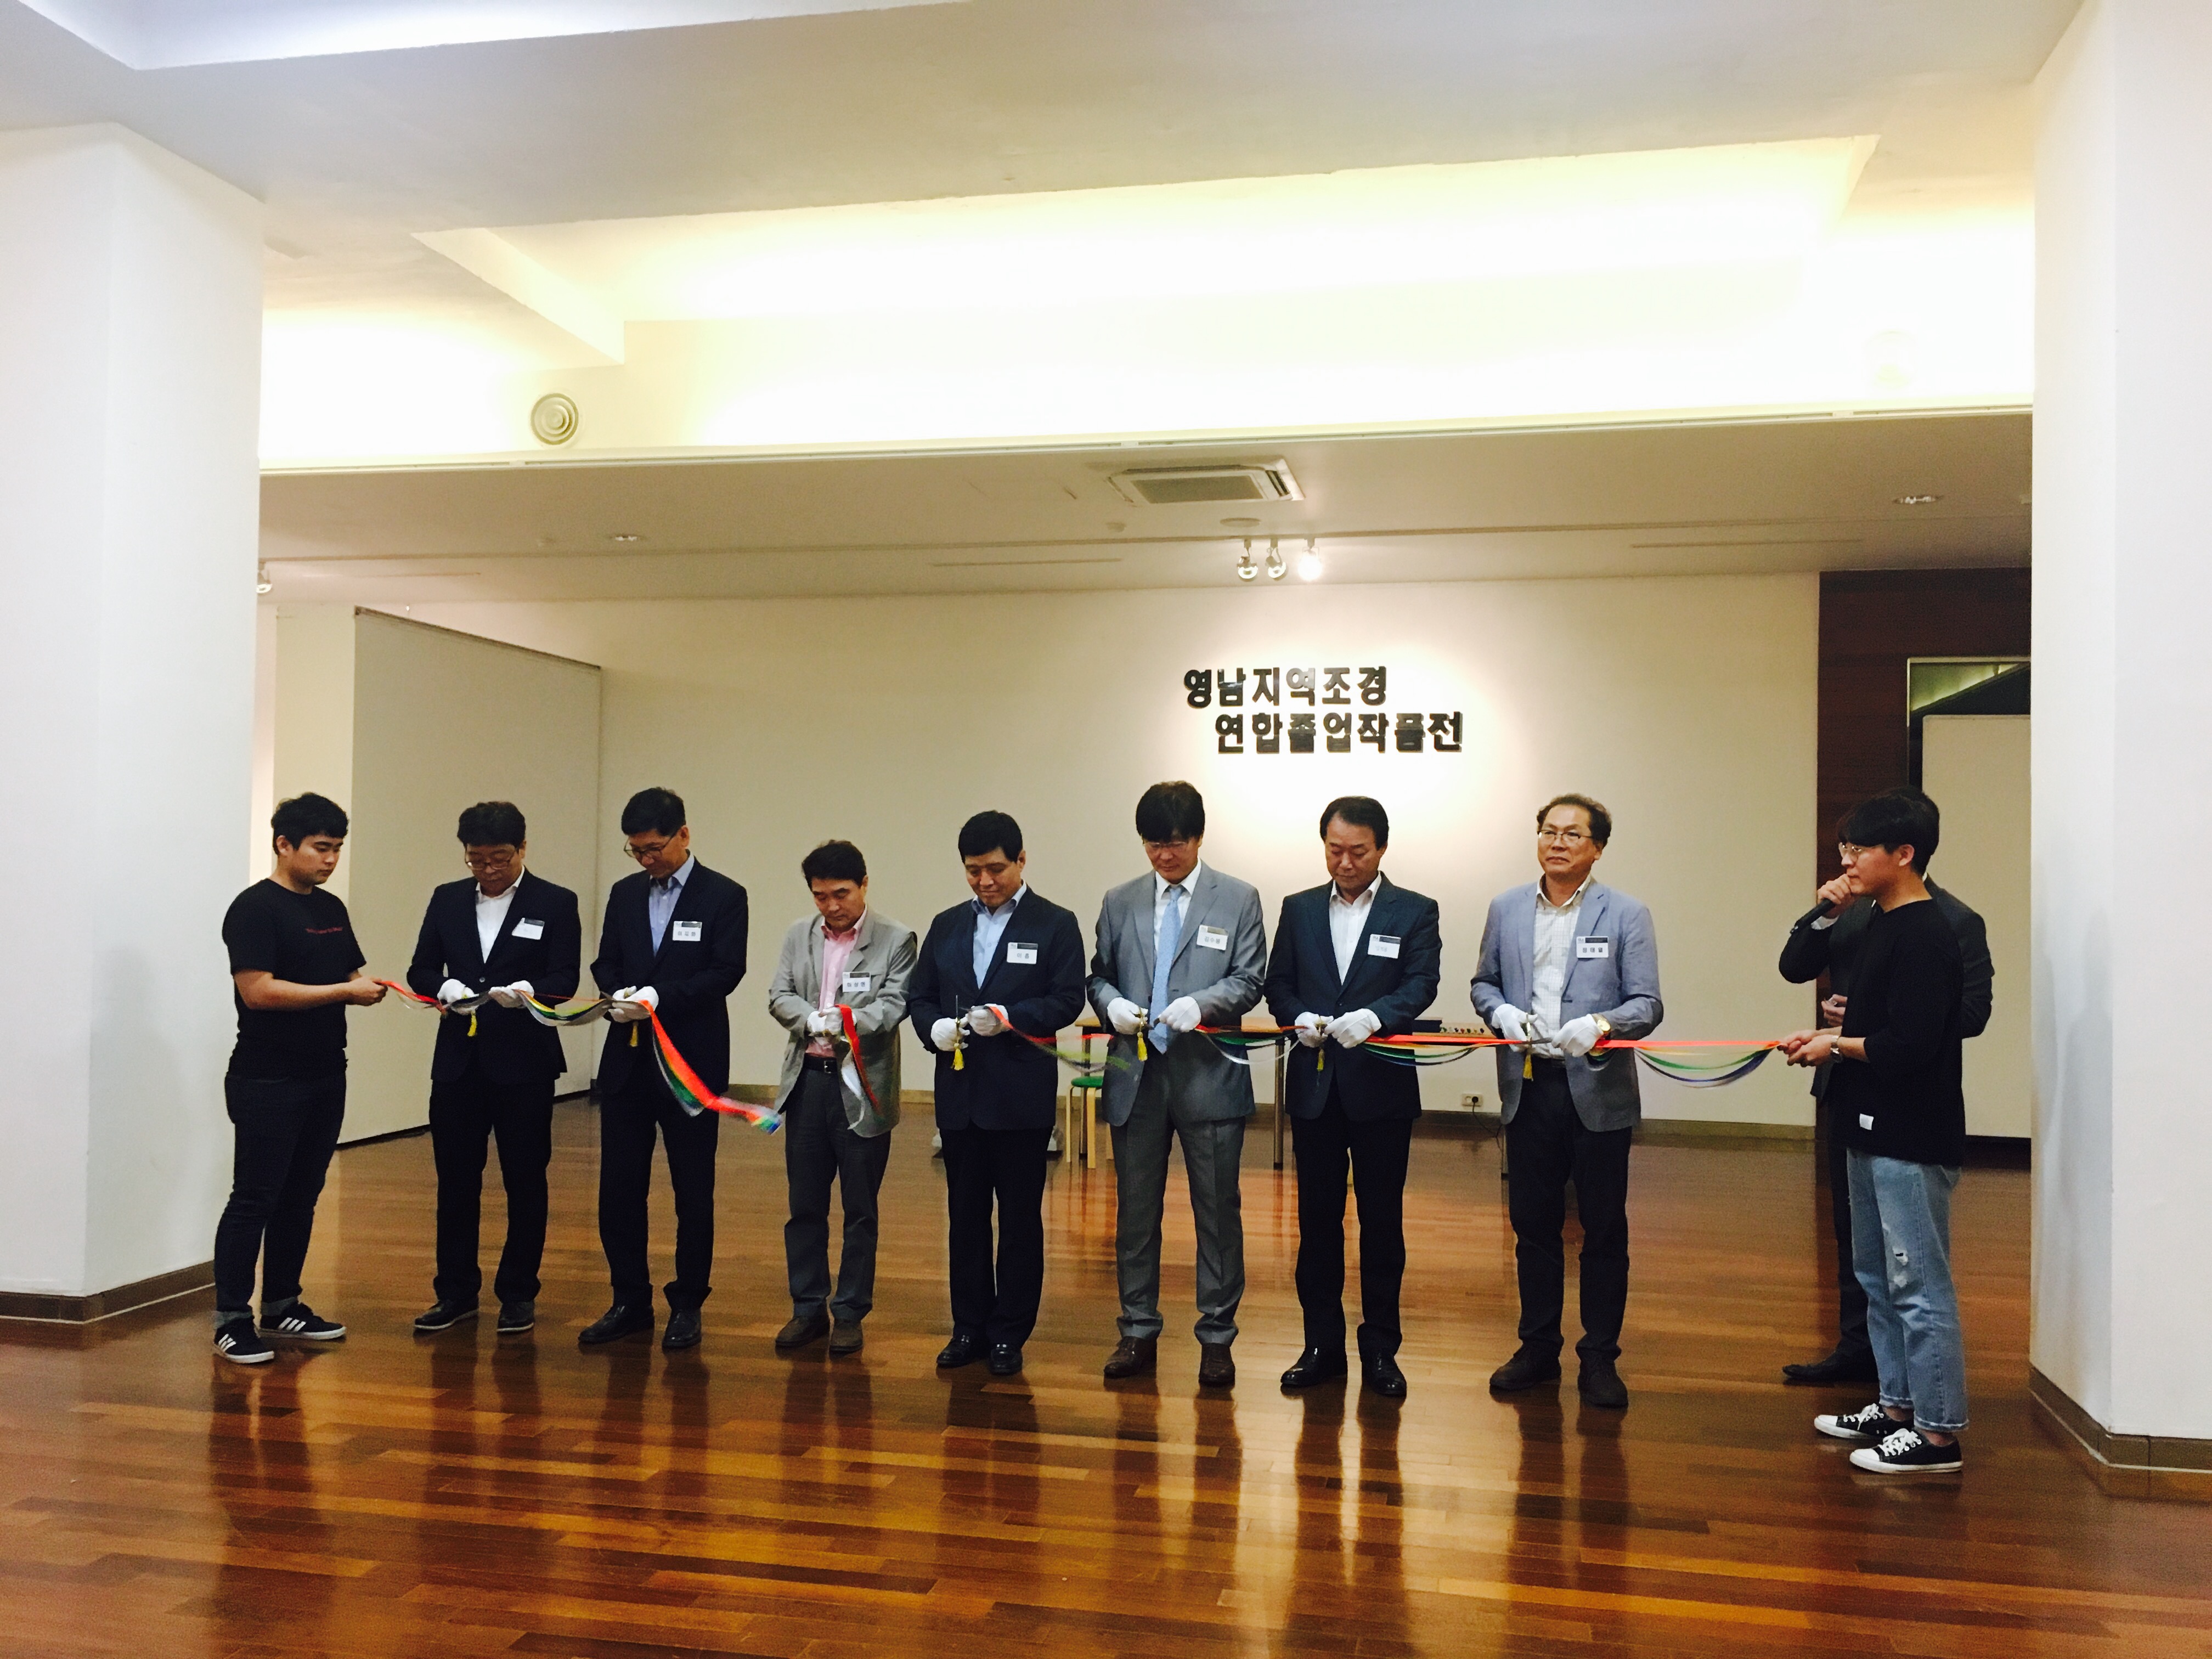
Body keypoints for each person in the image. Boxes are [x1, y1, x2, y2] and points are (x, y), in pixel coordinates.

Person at [1776, 785, 1991, 1386]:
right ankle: (1869, 1363)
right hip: (1852, 1088)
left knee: (1912, 1266)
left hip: (1904, 1098)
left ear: (1904, 851)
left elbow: (1965, 1015)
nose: (1847, 861)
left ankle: (1927, 1410)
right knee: (1862, 1246)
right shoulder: (1858, 911)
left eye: (1859, 848)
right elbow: (1795, 967)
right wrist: (1826, 914)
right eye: (1844, 849)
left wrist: (1871, 1023)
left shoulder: (1949, 922)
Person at [1471, 793, 1661, 1409]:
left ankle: (1600, 1357)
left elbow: (1648, 1004)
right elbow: (1483, 982)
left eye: (1573, 834)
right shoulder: (1506, 908)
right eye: (1549, 831)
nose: (1557, 842)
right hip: (1529, 1086)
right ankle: (1537, 1348)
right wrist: (1499, 1011)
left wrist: (1603, 1024)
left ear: (1597, 848)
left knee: (1603, 1228)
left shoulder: (1626, 913)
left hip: (1597, 1089)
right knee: (1533, 1226)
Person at [1087, 782, 1267, 1389]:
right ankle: (1137, 1327)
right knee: (1136, 1213)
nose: (1164, 856)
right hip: (1136, 1075)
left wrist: (1202, 1004)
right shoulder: (1120, 900)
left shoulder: (1237, 898)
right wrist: (1111, 1004)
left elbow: (1250, 979)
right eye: (1152, 845)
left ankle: (1217, 1336)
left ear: (1199, 837)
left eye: (1175, 844)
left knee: (1217, 1213)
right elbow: (1099, 977)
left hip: (1208, 1074)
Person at [1263, 796, 1441, 1399]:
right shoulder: (1299, 908)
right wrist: (1298, 1017)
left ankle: (1381, 1348)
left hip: (1381, 1088)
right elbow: (1279, 984)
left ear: (1382, 848)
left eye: (1358, 852)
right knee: (1317, 1224)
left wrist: (1374, 1016)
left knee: (1381, 1223)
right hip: (1315, 1087)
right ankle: (1321, 1345)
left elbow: (1421, 984)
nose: (1345, 863)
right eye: (1335, 850)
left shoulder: (1414, 910)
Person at [211, 793, 387, 1364]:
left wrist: (378, 989)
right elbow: (258, 991)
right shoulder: (254, 909)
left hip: (325, 1073)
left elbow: (350, 973)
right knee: (255, 1197)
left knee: (301, 1195)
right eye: (321, 848)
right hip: (267, 1079)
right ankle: (232, 1319)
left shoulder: (330, 907)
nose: (331, 859)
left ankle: (283, 1303)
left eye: (337, 849)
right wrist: (344, 992)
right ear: (284, 845)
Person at [909, 811, 1086, 1377]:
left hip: (1020, 1098)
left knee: (1019, 1221)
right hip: (960, 1097)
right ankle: (968, 1326)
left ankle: (1010, 1331)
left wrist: (1012, 1016)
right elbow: (921, 996)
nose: (985, 881)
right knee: (964, 1218)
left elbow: (1068, 999)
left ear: (1021, 860)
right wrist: (932, 1028)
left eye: (996, 869)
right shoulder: (946, 925)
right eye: (973, 871)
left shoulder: (1054, 923)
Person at [405, 801, 583, 1338]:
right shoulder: (448, 899)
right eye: (476, 860)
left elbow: (565, 978)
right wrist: (443, 987)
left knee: (524, 1179)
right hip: (459, 1063)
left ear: (522, 849)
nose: (488, 870)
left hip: (524, 1062)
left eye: (500, 859)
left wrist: (530, 992)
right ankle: (455, 1292)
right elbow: (420, 968)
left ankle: (518, 1292)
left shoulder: (555, 902)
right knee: (456, 1181)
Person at [584, 787, 748, 1352]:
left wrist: (660, 997)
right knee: (619, 1188)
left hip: (690, 1063)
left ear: (683, 835)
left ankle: (688, 1303)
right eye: (636, 851)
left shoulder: (723, 895)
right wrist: (618, 993)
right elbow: (605, 960)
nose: (646, 859)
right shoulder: (624, 893)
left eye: (654, 848)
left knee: (692, 1188)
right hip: (627, 1063)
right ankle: (628, 1299)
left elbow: (726, 972)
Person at [765, 840, 917, 1358]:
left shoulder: (896, 938)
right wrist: (810, 1019)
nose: (832, 906)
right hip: (808, 1081)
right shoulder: (798, 935)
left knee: (860, 1208)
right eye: (821, 896)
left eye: (842, 894)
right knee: (804, 1204)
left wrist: (848, 1022)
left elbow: (895, 1004)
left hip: (862, 1085)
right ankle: (807, 1306)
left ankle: (849, 1312)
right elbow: (779, 994)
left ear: (864, 884)